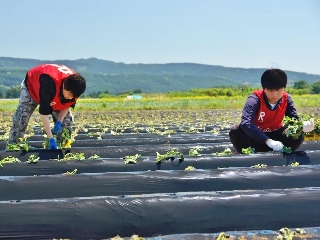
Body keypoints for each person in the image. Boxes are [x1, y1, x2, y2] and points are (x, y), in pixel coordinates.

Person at [229, 68, 314, 153]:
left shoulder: (287, 99)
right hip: (256, 138)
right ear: (264, 88)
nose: (275, 95)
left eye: (279, 90)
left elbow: (294, 120)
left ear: (284, 88)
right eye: (270, 90)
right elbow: (246, 123)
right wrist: (268, 141)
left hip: (277, 138)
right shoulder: (254, 99)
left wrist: (302, 127)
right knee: (235, 130)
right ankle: (248, 155)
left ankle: (285, 153)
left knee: (297, 133)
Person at [7, 63, 86, 149]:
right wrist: (50, 138)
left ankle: (62, 145)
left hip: (56, 91)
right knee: (21, 118)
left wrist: (59, 121)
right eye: (69, 94)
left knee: (66, 122)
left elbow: (67, 104)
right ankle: (13, 145)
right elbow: (44, 115)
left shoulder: (77, 86)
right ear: (64, 86)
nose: (71, 98)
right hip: (32, 87)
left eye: (73, 97)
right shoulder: (48, 83)